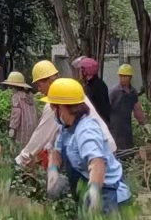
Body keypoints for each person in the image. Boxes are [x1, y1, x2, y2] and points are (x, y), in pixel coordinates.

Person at [44, 77, 132, 212]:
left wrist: (95, 191)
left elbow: (97, 162)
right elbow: (57, 151)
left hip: (109, 194)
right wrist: (53, 171)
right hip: (86, 188)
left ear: (61, 108)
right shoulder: (66, 128)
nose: (52, 111)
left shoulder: (86, 130)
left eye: (52, 107)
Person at [14, 59, 117, 171]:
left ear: (49, 82)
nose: (39, 89)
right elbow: (57, 133)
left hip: (94, 154)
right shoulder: (71, 90)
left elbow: (40, 136)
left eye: (39, 85)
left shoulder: (55, 104)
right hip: (104, 148)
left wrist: (20, 161)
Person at [108, 63, 148, 154]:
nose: (122, 78)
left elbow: (137, 108)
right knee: (116, 149)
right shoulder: (114, 92)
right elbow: (105, 108)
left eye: (125, 76)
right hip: (115, 126)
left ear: (130, 77)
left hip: (127, 125)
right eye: (121, 76)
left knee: (128, 148)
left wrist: (143, 122)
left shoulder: (133, 92)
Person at [4, 70, 37, 148]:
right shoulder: (30, 96)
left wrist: (12, 127)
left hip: (22, 126)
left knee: (19, 148)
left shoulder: (16, 97)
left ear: (13, 87)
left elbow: (16, 113)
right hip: (32, 126)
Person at [74, 56, 112, 123]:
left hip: (96, 123)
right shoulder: (100, 83)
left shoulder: (90, 89)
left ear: (85, 71)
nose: (79, 73)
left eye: (80, 70)